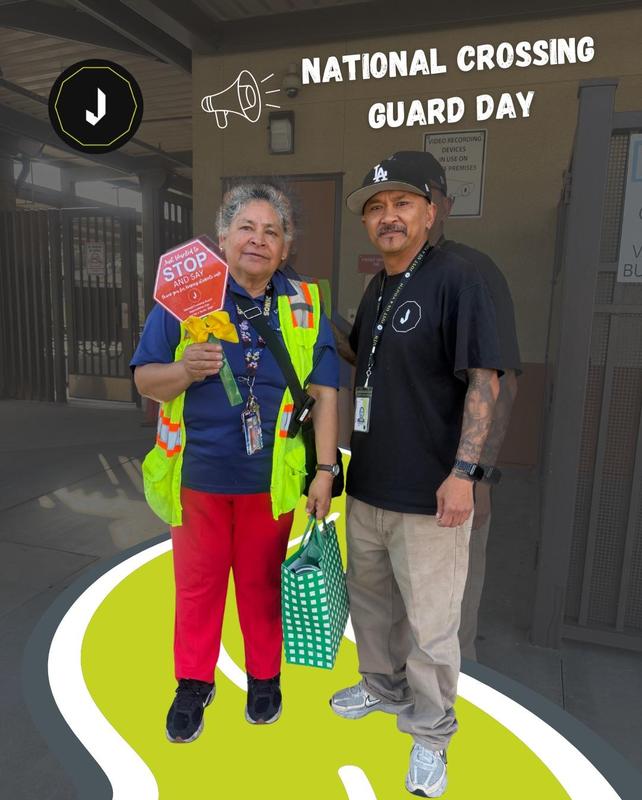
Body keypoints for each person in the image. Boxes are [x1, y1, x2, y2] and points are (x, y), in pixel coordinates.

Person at [131, 183, 340, 742]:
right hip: (196, 477)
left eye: (272, 231)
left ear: (286, 245)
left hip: (267, 482)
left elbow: (324, 389)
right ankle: (193, 683)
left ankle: (264, 678)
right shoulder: (186, 298)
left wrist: (325, 469)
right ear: (223, 237)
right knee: (197, 588)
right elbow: (146, 378)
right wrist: (185, 371)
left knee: (262, 587)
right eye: (246, 227)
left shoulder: (304, 302)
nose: (259, 239)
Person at [329, 152, 502, 798]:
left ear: (431, 210)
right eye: (375, 207)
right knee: (372, 606)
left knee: (431, 625)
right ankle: (380, 687)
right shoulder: (380, 286)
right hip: (370, 483)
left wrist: (465, 472)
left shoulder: (462, 276)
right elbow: (367, 360)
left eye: (401, 203)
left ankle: (431, 735)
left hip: (433, 494)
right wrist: (310, 320)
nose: (387, 217)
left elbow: (485, 375)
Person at [422, 152, 521, 661]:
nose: (414, 213)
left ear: (444, 207)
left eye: (424, 200)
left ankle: (464, 703)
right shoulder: (394, 281)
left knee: (454, 615)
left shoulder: (472, 272)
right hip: (404, 485)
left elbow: (499, 382)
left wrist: (477, 477)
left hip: (455, 484)